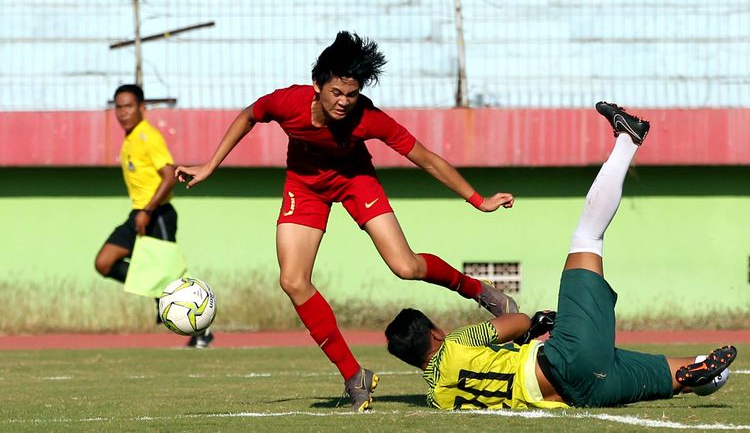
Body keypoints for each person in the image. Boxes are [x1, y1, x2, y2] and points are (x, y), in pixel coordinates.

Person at [175, 32, 519, 411]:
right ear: (317, 85)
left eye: (351, 94)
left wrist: (477, 200)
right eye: (336, 92)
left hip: (356, 180)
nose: (343, 102)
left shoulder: (368, 118)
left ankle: (481, 292)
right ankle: (355, 376)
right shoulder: (287, 102)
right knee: (292, 281)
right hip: (305, 186)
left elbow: (426, 158)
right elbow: (248, 116)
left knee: (405, 266)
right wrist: (209, 165)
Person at [385, 102, 737, 410]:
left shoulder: (437, 398)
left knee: (694, 372)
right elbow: (518, 321)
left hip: (583, 393)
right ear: (434, 334)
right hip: (567, 360)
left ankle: (701, 375)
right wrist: (534, 322)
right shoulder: (454, 344)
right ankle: (628, 140)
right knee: (586, 237)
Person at [94, 84, 214, 349]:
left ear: (142, 108)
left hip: (156, 214)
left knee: (168, 276)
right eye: (118, 107)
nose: (122, 112)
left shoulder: (148, 136)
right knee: (104, 262)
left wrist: (148, 211)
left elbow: (169, 174)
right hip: (138, 214)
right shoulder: (130, 138)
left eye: (128, 106)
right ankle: (162, 295)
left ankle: (201, 328)